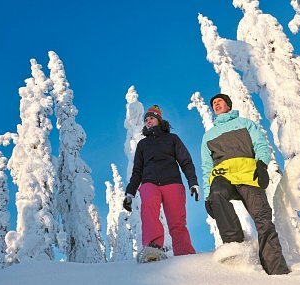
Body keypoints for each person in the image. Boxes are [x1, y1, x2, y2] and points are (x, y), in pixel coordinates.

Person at [201, 93, 290, 275]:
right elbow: (206, 167)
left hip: (248, 175)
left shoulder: (246, 124)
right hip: (223, 176)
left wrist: (262, 165)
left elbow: (261, 145)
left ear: (228, 104)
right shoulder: (209, 136)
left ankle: (276, 270)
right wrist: (206, 195)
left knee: (263, 220)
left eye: (219, 102)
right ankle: (236, 244)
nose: (216, 105)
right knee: (216, 194)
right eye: (214, 104)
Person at [123, 104, 200, 257]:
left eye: (151, 118)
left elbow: (185, 161)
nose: (148, 121)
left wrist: (193, 182)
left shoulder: (172, 139)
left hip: (172, 182)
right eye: (146, 120)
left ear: (159, 120)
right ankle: (153, 248)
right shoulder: (142, 144)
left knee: (177, 219)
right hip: (149, 182)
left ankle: (184, 252)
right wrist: (130, 193)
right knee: (149, 208)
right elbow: (137, 170)